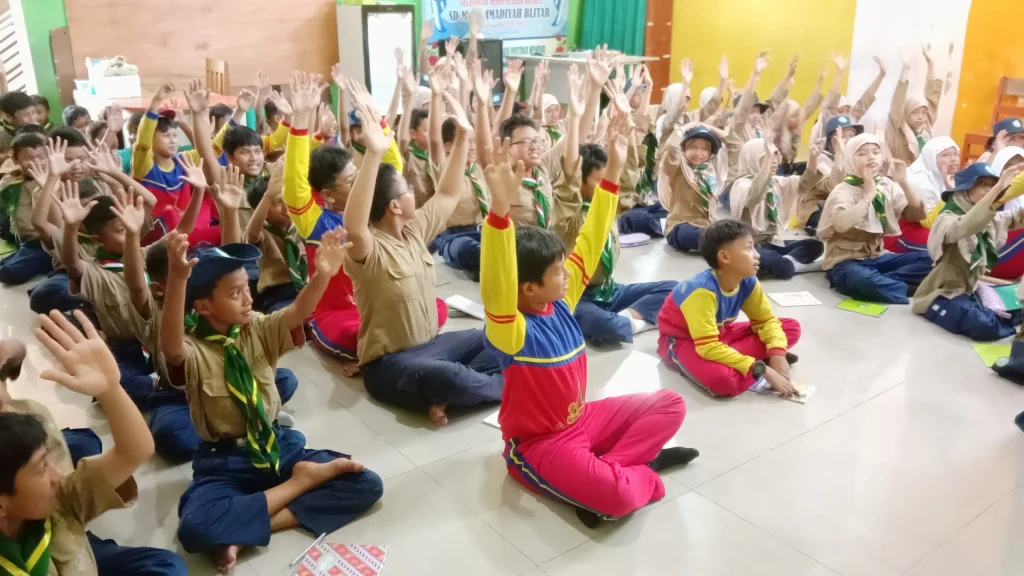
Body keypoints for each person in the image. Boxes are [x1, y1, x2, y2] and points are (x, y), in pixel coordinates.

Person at [481, 108, 695, 529]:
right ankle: (634, 474)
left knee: (671, 403)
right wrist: (500, 210)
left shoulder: (561, 300)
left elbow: (591, 239)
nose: (569, 274)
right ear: (527, 288)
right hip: (541, 445)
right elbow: (496, 280)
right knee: (617, 499)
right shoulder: (511, 328)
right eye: (557, 272)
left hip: (584, 420)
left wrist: (614, 168)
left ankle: (611, 466)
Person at [160, 227, 382, 573]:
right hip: (225, 461)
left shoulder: (256, 327)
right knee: (195, 529)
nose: (248, 299)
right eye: (235, 293)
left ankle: (244, 529)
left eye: (246, 288)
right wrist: (177, 279)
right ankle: (300, 484)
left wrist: (322, 275)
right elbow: (171, 348)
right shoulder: (194, 348)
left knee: (366, 483)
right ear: (203, 306)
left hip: (276, 446)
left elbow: (295, 313)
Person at [343, 75, 503, 427]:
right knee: (446, 376)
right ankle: (467, 389)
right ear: (394, 206)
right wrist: (373, 153)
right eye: (407, 190)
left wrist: (462, 137)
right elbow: (353, 225)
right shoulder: (368, 247)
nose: (414, 193)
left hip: (434, 346)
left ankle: (450, 394)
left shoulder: (415, 231)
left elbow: (447, 193)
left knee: (496, 338)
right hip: (390, 365)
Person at [0, 309, 188, 575]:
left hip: (68, 544)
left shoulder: (58, 496)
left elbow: (136, 450)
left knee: (166, 567)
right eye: (43, 467)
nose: (57, 474)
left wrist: (110, 390)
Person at [281, 72, 402, 375]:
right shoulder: (315, 220)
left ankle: (384, 352)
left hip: (373, 305)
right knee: (354, 334)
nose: (362, 181)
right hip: (336, 313)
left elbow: (393, 168)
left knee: (433, 309)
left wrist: (375, 117)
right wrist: (300, 118)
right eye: (351, 180)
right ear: (327, 194)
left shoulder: (370, 207)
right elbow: (295, 184)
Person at [551, 79, 677, 343]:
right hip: (579, 294)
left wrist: (626, 131)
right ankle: (628, 323)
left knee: (674, 289)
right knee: (597, 323)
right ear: (581, 181)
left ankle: (629, 319)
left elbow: (628, 174)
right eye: (599, 180)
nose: (607, 186)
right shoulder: (568, 216)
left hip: (608, 290)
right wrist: (576, 117)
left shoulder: (609, 203)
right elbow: (567, 176)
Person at [657, 220, 802, 398]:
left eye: (755, 248)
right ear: (725, 257)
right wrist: (762, 369)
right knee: (724, 382)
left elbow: (766, 321)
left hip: (718, 334)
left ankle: (737, 358)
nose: (757, 255)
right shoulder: (701, 291)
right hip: (686, 342)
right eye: (748, 248)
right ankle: (748, 362)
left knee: (791, 327)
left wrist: (778, 353)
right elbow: (707, 347)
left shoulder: (748, 281)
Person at [913, 163, 1024, 340]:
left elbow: (1017, 217)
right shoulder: (947, 218)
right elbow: (966, 225)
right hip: (944, 293)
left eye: (992, 184)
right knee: (985, 325)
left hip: (971, 290)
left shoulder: (990, 217)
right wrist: (997, 189)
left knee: (1017, 307)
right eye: (982, 184)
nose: (988, 189)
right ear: (966, 189)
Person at [817, 133, 931, 304]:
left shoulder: (886, 185)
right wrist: (869, 195)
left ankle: (888, 284)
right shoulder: (844, 189)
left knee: (931, 259)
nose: (871, 157)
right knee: (860, 278)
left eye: (876, 152)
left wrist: (903, 183)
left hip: (878, 257)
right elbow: (841, 224)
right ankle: (907, 288)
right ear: (850, 159)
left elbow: (917, 216)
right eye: (862, 153)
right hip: (846, 262)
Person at [132, 82, 219, 246]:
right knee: (170, 214)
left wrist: (188, 121)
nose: (173, 140)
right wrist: (156, 102)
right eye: (166, 136)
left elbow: (207, 152)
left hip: (188, 226)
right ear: (151, 139)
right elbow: (142, 142)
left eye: (174, 135)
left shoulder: (182, 160)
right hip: (159, 237)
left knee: (211, 195)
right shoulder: (144, 166)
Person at [726, 135, 824, 278]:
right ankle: (788, 265)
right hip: (749, 245)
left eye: (774, 158)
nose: (773, 163)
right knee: (778, 266)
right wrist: (765, 170)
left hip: (772, 241)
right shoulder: (741, 184)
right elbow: (753, 197)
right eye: (765, 159)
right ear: (751, 158)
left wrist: (813, 158)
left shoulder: (775, 182)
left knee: (815, 246)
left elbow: (804, 184)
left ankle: (779, 264)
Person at [885, 136, 960, 253]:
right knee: (948, 246)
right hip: (903, 232)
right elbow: (927, 222)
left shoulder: (947, 178)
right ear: (930, 158)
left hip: (932, 228)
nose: (953, 159)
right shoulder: (921, 181)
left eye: (955, 154)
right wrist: (950, 194)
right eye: (945, 155)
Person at [789, 115, 859, 235]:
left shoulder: (855, 158)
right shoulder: (821, 159)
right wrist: (839, 154)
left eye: (851, 136)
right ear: (831, 141)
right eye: (842, 136)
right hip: (818, 209)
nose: (847, 140)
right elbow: (833, 187)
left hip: (844, 205)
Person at [662, 125, 725, 252]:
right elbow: (671, 149)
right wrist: (683, 129)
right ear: (684, 149)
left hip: (707, 226)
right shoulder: (678, 168)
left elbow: (732, 143)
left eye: (704, 149)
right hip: (680, 226)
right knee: (697, 235)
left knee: (733, 232)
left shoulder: (711, 170)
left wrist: (710, 127)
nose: (698, 153)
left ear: (710, 153)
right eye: (693, 147)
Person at [0, 130, 51, 285]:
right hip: (27, 242)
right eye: (29, 158)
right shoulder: (13, 181)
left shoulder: (54, 179)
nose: (37, 162)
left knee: (8, 272)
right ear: (15, 159)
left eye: (42, 157)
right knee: (4, 266)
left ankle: (50, 263)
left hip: (47, 243)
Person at [885, 45, 945, 164]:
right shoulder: (898, 128)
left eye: (923, 112)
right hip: (902, 177)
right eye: (915, 112)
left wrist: (930, 62)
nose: (920, 117)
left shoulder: (925, 127)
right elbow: (898, 101)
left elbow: (932, 96)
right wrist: (905, 69)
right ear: (906, 112)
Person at [809, 54, 886, 144]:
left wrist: (881, 75)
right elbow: (831, 102)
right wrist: (839, 73)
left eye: (847, 110)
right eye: (840, 110)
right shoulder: (826, 122)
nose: (845, 114)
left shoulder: (849, 120)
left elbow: (865, 100)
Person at [988, 146, 1024, 279]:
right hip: (987, 257)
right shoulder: (984, 192)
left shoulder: (1021, 193)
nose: (1016, 172)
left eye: (1021, 167)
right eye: (1008, 166)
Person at [0, 92, 39, 161]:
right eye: (26, 115)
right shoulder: (2, 133)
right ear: (8, 116)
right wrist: (10, 154)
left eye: (34, 112)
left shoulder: (37, 129)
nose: (33, 118)